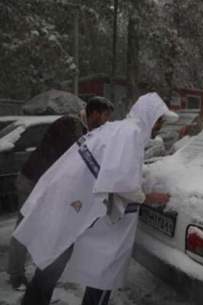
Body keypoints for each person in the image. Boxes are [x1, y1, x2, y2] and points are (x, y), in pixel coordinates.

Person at [13, 92, 177, 305]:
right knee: (78, 259)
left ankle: (33, 301)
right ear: (149, 115)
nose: (160, 126)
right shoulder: (131, 134)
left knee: (56, 252)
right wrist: (147, 197)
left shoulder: (120, 129)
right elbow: (119, 183)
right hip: (75, 200)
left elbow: (114, 171)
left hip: (71, 197)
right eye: (159, 120)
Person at [7, 96, 114, 291]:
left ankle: (43, 270)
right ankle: (15, 274)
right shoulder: (70, 124)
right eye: (106, 116)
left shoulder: (83, 130)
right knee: (25, 228)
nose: (107, 121)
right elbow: (78, 155)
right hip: (32, 182)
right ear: (96, 113)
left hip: (46, 187)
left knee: (47, 228)